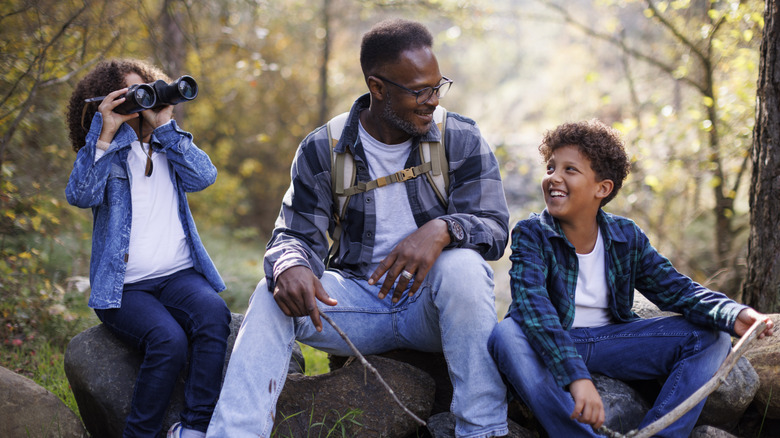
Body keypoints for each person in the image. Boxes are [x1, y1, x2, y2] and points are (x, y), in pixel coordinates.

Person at [207, 19, 510, 438]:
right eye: (419, 91)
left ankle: (483, 431)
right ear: (378, 87)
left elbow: (494, 229)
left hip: (432, 309)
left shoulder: (460, 138)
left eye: (438, 86)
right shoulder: (323, 147)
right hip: (356, 306)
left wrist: (441, 228)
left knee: (463, 267)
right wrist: (290, 264)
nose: (432, 101)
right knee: (270, 292)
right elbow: (293, 234)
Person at [487, 119, 774, 437]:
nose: (554, 177)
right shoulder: (531, 233)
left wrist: (733, 313)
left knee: (712, 337)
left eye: (570, 170)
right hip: (553, 342)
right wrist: (576, 377)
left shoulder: (626, 235)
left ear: (602, 188)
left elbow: (676, 288)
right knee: (507, 335)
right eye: (551, 167)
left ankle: (659, 434)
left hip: (615, 342)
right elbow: (534, 309)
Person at [65, 59, 231, 438]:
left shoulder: (168, 144)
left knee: (213, 315)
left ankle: (193, 429)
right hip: (125, 289)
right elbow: (80, 194)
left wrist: (166, 126)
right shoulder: (108, 154)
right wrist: (104, 132)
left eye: (150, 89)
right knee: (168, 341)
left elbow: (205, 177)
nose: (145, 101)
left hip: (178, 276)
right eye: (133, 94)